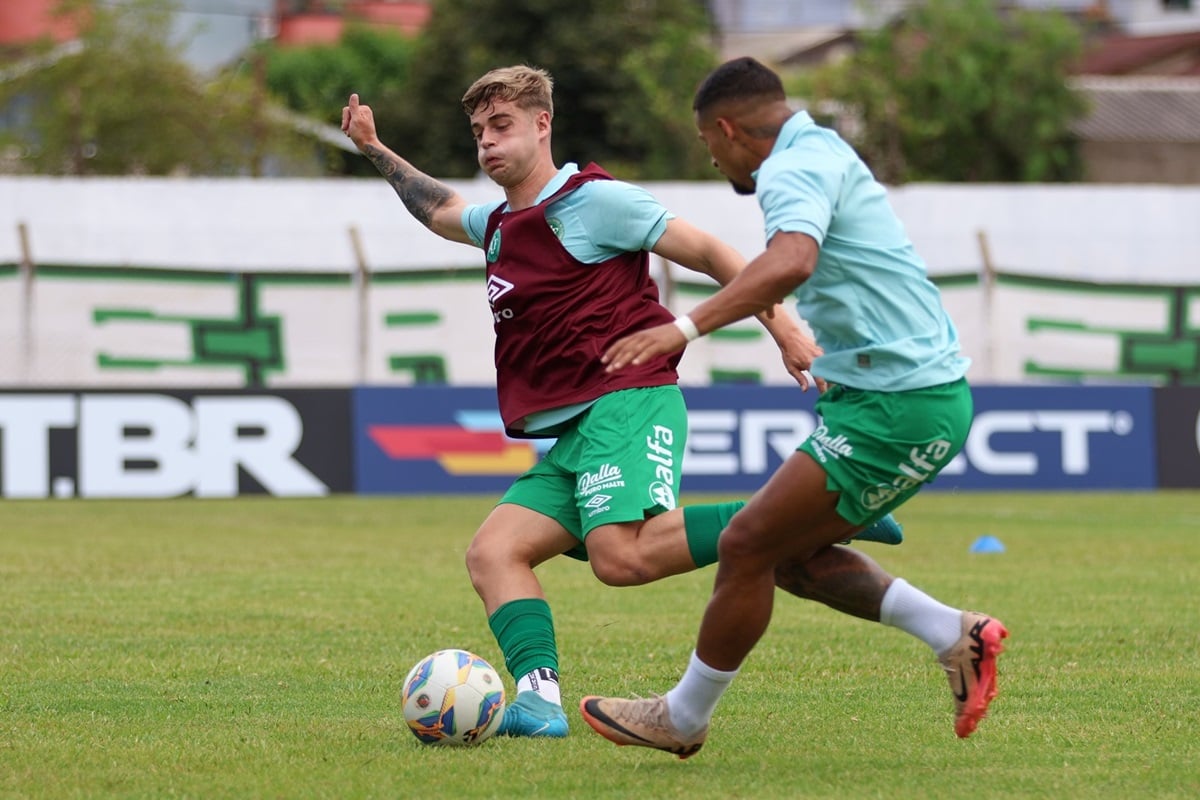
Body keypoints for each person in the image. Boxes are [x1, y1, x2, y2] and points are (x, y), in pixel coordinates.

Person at [341, 64, 904, 739]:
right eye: (478, 132)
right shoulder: (497, 222)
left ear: (542, 124)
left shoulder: (594, 200)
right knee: (493, 553)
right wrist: (374, 149)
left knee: (621, 558)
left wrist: (784, 328)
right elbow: (436, 210)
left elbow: (710, 251)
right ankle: (540, 704)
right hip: (574, 432)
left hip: (628, 400)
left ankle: (816, 514)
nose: (487, 143)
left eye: (502, 126)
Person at [579, 57, 1008, 757]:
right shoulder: (821, 148)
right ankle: (952, 633)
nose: (711, 156)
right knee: (790, 558)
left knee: (746, 545)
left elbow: (793, 260)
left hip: (901, 405)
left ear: (727, 129)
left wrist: (681, 327)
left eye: (705, 142)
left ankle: (682, 718)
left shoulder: (789, 168)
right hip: (893, 398)